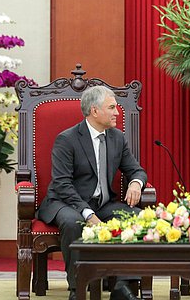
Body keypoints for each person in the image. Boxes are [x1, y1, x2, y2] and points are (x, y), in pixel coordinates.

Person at [37, 86, 148, 300]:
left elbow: (136, 170)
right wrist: (88, 214)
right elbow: (62, 184)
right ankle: (77, 288)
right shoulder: (67, 139)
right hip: (65, 202)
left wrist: (135, 183)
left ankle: (123, 286)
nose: (117, 112)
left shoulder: (117, 138)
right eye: (112, 107)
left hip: (103, 204)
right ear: (94, 111)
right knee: (73, 222)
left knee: (138, 218)